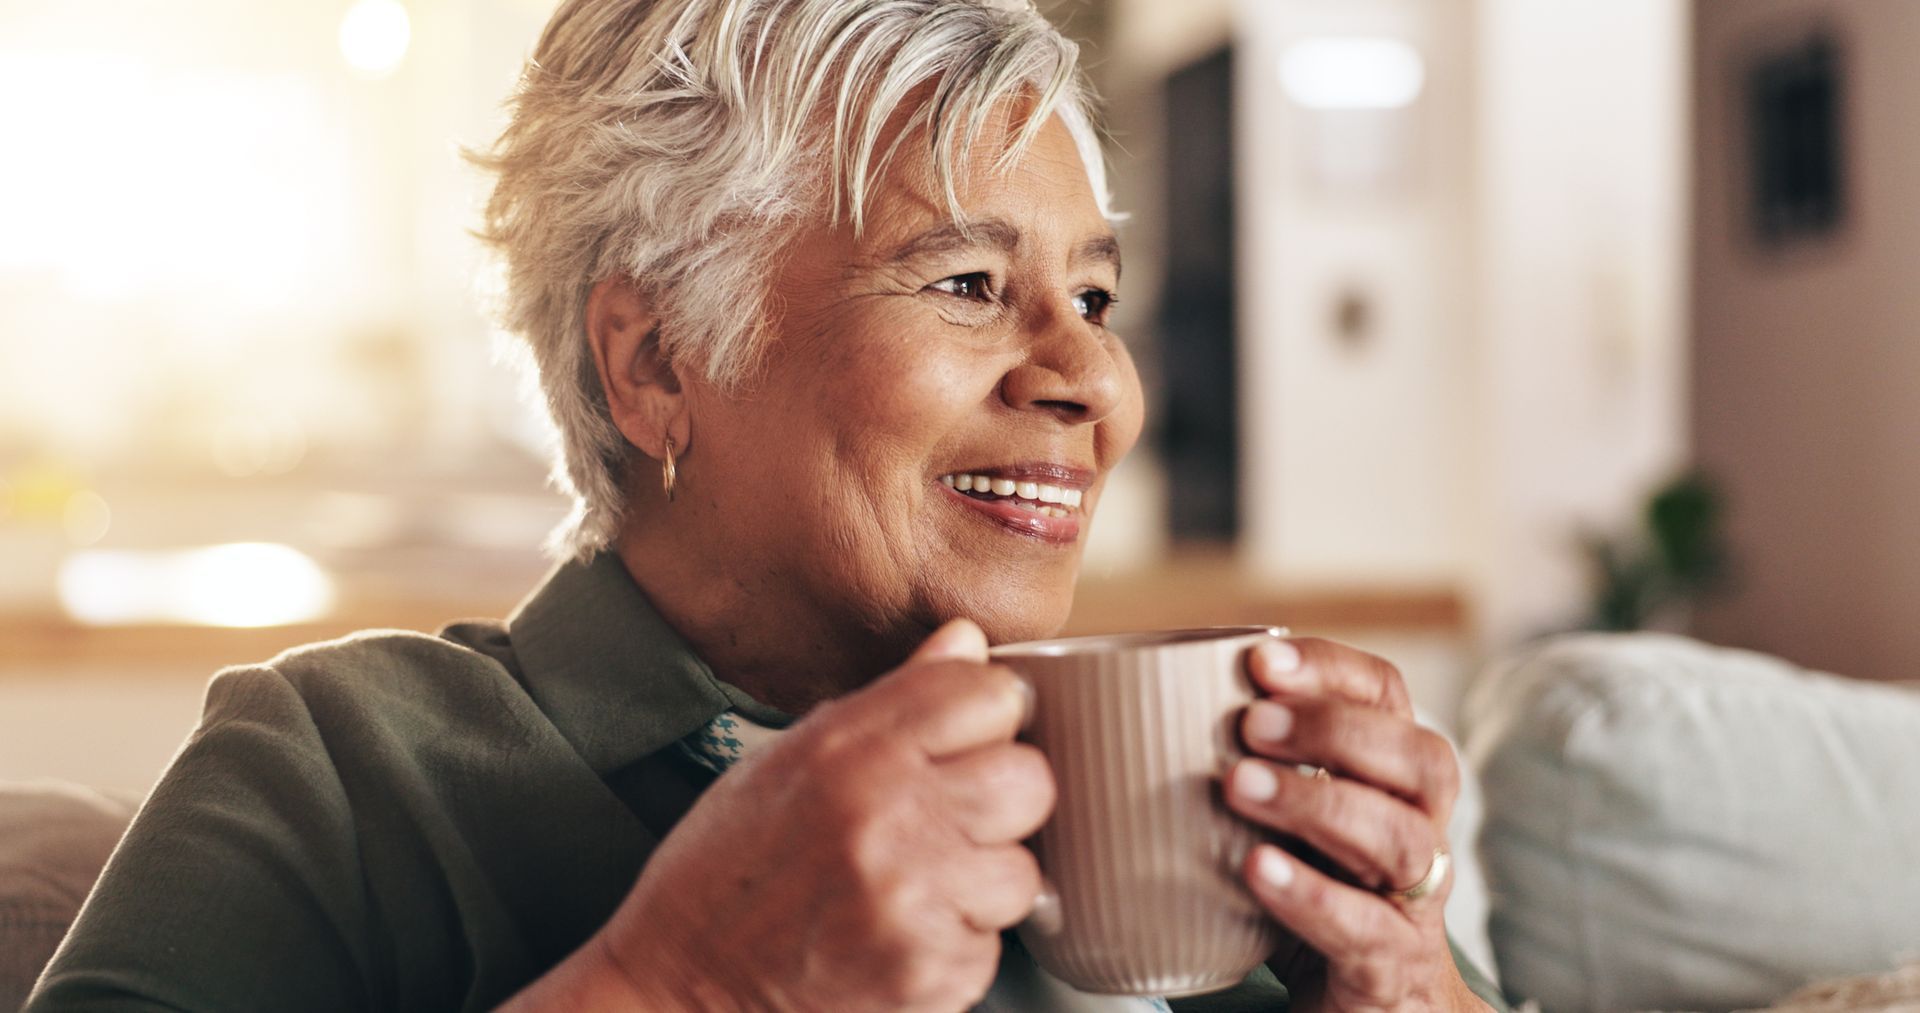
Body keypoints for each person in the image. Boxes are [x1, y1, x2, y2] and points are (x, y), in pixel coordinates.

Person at [28, 1, 1505, 1009]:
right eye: (971, 284)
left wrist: (1410, 980)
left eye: (1096, 295)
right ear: (657, 361)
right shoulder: (344, 776)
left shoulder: (1157, 798)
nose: (1093, 381)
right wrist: (683, 983)